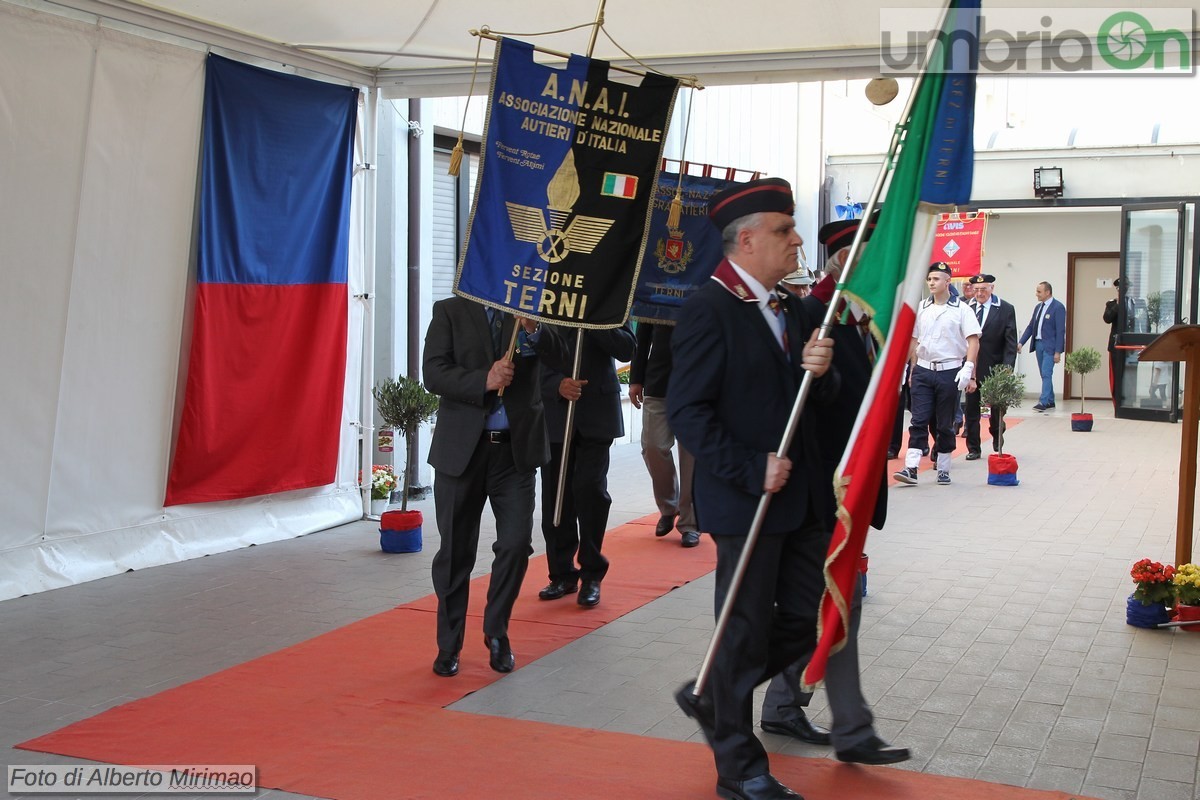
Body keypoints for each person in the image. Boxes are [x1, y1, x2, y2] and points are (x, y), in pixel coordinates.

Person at [668, 177, 838, 800]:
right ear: (746, 239)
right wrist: (748, 466)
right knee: (742, 631)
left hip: (803, 503)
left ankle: (713, 694)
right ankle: (740, 769)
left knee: (801, 625)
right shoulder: (708, 309)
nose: (797, 241)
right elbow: (688, 411)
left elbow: (824, 403)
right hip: (749, 501)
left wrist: (823, 372)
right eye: (784, 231)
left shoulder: (794, 309)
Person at [757, 219, 909, 767]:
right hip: (822, 485)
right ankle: (846, 723)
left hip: (853, 483)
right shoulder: (814, 313)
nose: (876, 269)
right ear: (842, 258)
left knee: (833, 599)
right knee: (832, 599)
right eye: (868, 256)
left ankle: (792, 705)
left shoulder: (863, 317)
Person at [422, 297, 567, 677]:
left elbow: (561, 355)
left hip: (514, 453)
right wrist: (483, 379)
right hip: (461, 453)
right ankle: (449, 644)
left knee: (517, 544)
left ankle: (496, 630)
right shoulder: (449, 311)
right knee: (455, 552)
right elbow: (433, 373)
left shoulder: (529, 308)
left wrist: (534, 329)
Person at [536, 322, 637, 608]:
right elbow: (530, 350)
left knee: (590, 490)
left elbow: (627, 348)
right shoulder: (548, 294)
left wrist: (594, 323)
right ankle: (562, 573)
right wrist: (556, 384)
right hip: (557, 414)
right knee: (557, 496)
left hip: (597, 413)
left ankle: (592, 573)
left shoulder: (609, 298)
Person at [894, 262, 980, 487]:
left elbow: (973, 340)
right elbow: (914, 340)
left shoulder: (962, 310)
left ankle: (943, 467)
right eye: (929, 279)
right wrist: (906, 368)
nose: (932, 283)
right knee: (918, 419)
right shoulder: (922, 307)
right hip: (923, 369)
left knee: (944, 423)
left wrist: (968, 368)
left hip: (949, 371)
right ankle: (911, 467)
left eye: (936, 279)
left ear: (948, 282)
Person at [629, 322, 699, 547]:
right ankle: (669, 507)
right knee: (653, 446)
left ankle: (690, 523)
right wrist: (636, 379)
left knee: (691, 457)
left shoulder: (707, 287)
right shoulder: (656, 289)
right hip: (658, 381)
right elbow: (642, 337)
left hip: (696, 385)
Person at [964, 273, 1017, 460]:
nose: (979, 293)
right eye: (976, 290)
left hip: (994, 367)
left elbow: (1010, 342)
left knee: (995, 409)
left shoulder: (1005, 309)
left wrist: (1007, 368)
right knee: (971, 410)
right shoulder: (965, 307)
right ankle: (973, 448)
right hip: (971, 368)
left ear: (992, 289)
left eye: (983, 289)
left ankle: (997, 432)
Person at [1018, 281, 1066, 411]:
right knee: (1044, 374)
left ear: (1047, 292)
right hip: (1038, 344)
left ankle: (1043, 401)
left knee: (1046, 373)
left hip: (1050, 346)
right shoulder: (1038, 307)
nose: (1036, 294)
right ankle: (1050, 400)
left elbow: (1061, 331)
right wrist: (1021, 342)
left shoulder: (1058, 307)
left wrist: (1058, 352)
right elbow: (1030, 327)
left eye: (1039, 291)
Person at [1102, 278, 1123, 408]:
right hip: (1116, 345)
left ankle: (1128, 403)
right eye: (1119, 289)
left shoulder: (1137, 303)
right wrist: (1118, 305)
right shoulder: (1112, 304)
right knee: (1115, 374)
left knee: (1130, 376)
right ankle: (1117, 404)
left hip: (1131, 346)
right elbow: (1107, 319)